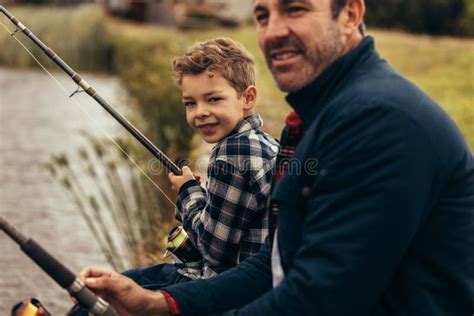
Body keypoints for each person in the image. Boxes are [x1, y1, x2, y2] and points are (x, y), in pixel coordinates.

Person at [77, 0, 474, 315]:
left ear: (350, 13)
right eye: (263, 15)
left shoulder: (380, 120)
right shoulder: (319, 118)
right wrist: (163, 305)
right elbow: (278, 262)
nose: (273, 32)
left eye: (295, 8)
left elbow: (322, 297)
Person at [123, 37, 279, 286]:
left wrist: (187, 192)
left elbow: (213, 251)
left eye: (214, 99)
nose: (200, 112)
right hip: (249, 279)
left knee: (112, 289)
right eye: (190, 103)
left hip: (226, 287)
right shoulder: (264, 143)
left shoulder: (233, 153)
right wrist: (200, 194)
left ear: (247, 98)